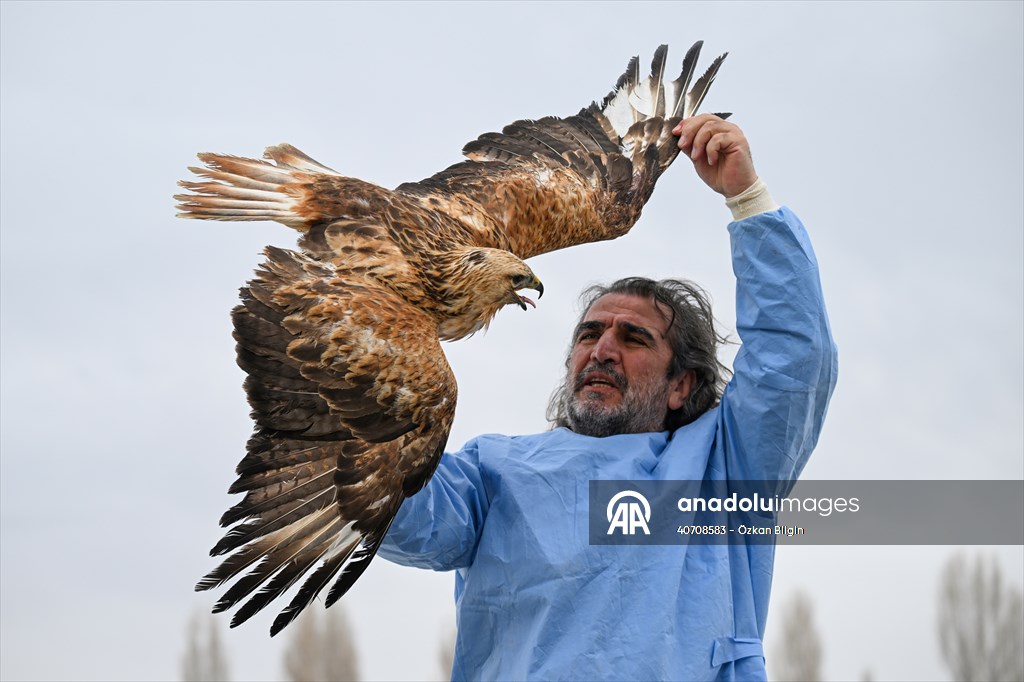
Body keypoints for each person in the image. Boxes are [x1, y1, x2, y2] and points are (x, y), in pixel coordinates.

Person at [378, 115, 839, 681]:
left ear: (682, 385)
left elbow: (793, 362)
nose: (602, 349)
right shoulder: (491, 471)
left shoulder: (726, 467)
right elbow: (387, 501)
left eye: (633, 337)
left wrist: (748, 199)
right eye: (590, 334)